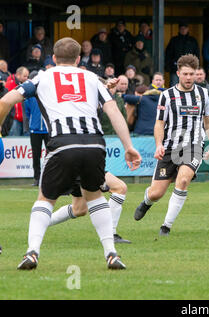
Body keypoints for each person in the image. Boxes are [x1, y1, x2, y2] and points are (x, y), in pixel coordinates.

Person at [0, 37, 142, 270]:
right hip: (94, 144)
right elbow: (113, 110)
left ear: (54, 59)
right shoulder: (91, 78)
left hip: (62, 144)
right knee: (94, 197)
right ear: (78, 59)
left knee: (45, 199)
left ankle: (32, 252)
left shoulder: (41, 77)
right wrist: (128, 146)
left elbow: (5, 101)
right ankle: (111, 254)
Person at [133, 54, 209, 236]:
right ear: (178, 73)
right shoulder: (166, 95)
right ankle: (147, 202)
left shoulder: (203, 94)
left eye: (192, 74)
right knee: (156, 193)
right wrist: (158, 145)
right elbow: (159, 124)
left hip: (194, 145)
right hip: (170, 147)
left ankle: (166, 226)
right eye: (185, 74)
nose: (189, 78)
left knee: (184, 179)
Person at [49, 171, 131, 244]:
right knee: (120, 188)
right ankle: (111, 234)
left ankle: (40, 223)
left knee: (79, 209)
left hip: (82, 167)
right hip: (86, 166)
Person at [24, 88, 48, 186]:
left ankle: (48, 177)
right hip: (35, 130)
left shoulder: (48, 96)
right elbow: (27, 112)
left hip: (48, 130)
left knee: (51, 154)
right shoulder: (30, 98)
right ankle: (37, 178)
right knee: (36, 155)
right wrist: (32, 123)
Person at [165, 22, 200, 87]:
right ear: (179, 29)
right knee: (174, 87)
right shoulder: (174, 40)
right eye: (181, 28)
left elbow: (197, 55)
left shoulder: (192, 40)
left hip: (189, 69)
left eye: (185, 28)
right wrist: (169, 66)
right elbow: (168, 54)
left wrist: (195, 67)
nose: (183, 30)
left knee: (189, 87)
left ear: (188, 29)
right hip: (176, 69)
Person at [5, 66, 29, 136]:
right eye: (24, 76)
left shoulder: (24, 84)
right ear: (18, 75)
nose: (26, 78)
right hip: (15, 119)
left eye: (27, 76)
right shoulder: (10, 84)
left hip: (23, 119)